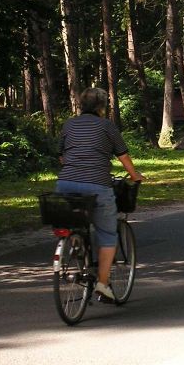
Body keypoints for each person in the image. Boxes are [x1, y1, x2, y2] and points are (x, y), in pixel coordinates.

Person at [57, 88, 144, 302]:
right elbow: (122, 155)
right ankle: (102, 284)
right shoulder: (107, 126)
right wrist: (135, 176)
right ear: (101, 107)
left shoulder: (69, 124)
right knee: (107, 235)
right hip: (97, 185)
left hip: (65, 184)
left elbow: (61, 157)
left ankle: (74, 244)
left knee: (73, 222)